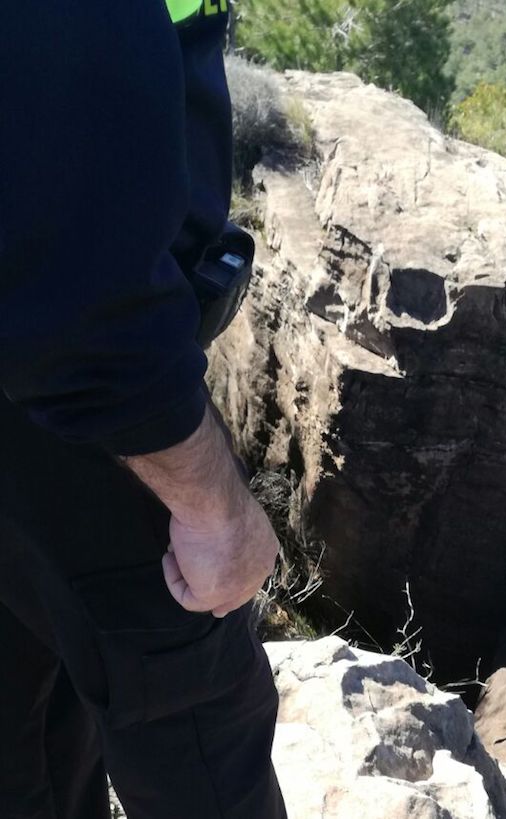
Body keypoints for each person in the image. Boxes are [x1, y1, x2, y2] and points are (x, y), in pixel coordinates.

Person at [0, 2, 288, 817]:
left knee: (23, 745)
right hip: (80, 421)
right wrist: (213, 508)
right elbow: (77, 292)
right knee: (196, 737)